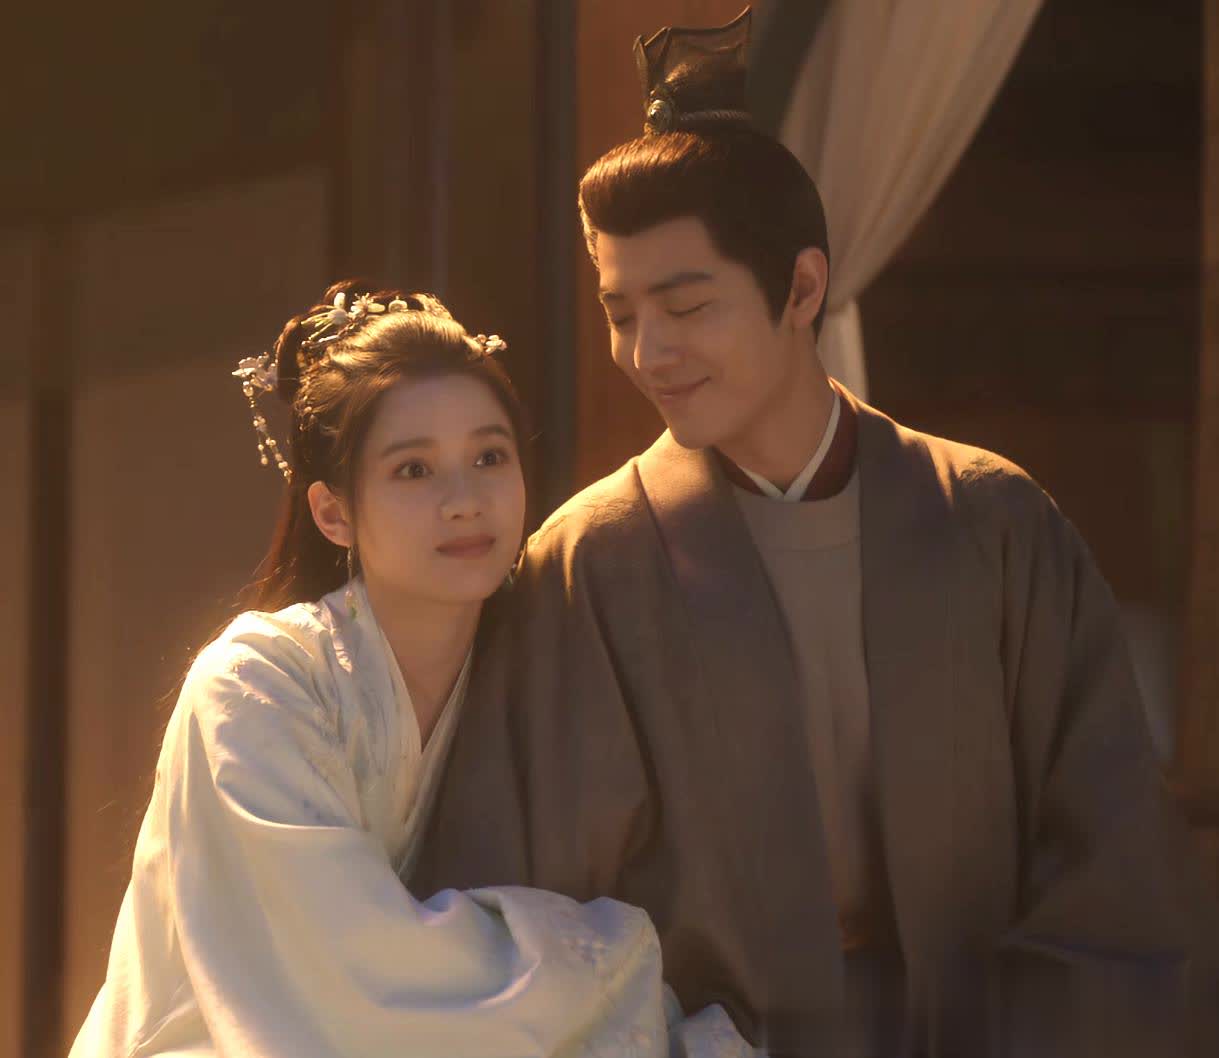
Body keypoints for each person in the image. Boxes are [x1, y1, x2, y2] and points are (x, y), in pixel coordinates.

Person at [411, 10, 1219, 1057]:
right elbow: (519, 914)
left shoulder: (992, 520)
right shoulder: (588, 563)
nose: (648, 352)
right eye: (619, 313)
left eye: (685, 306)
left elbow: (1108, 869)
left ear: (799, 287)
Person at [69, 282, 755, 1058]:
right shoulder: (256, 685)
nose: (464, 499)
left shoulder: (534, 667)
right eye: (413, 470)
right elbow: (355, 969)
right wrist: (618, 965)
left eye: (488, 457)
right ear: (333, 513)